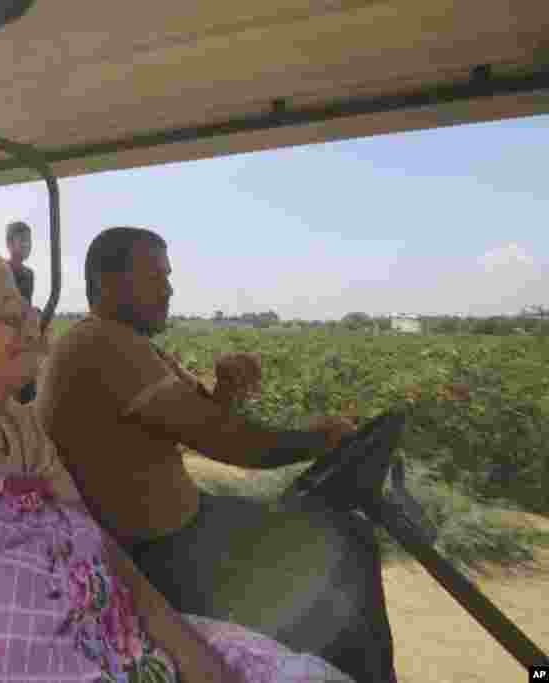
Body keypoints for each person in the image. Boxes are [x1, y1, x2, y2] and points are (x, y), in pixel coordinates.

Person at [0, 253, 354, 683]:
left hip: (96, 635)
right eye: (4, 315)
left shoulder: (19, 425)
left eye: (26, 310)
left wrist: (193, 654)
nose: (30, 325)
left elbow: (93, 544)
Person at [36, 226, 398, 683]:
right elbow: (230, 443)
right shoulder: (100, 344)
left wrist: (225, 391)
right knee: (348, 543)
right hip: (151, 555)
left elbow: (196, 418)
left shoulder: (128, 343)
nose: (168, 288)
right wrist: (319, 439)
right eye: (155, 277)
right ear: (109, 283)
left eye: (166, 276)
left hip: (183, 527)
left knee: (332, 532)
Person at [5, 220, 34, 304]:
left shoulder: (29, 274)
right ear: (9, 244)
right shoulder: (2, 271)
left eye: (29, 240)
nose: (27, 245)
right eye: (23, 240)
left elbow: (27, 304)